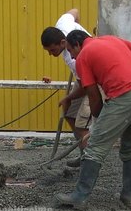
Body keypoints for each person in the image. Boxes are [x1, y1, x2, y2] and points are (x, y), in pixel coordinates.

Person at [54, 29, 131, 210]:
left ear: (77, 44)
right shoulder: (110, 39)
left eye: (71, 51)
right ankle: (129, 196)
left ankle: (79, 196)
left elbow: (93, 95)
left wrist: (98, 120)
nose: (73, 57)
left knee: (94, 148)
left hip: (124, 95)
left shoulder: (84, 56)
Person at [40, 9, 93, 167]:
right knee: (70, 115)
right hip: (82, 77)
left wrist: (69, 98)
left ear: (63, 43)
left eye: (52, 50)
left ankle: (90, 164)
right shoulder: (62, 24)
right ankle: (84, 153)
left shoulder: (75, 60)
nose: (51, 54)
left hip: (94, 79)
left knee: (82, 124)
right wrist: (78, 26)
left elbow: (86, 86)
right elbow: (75, 11)